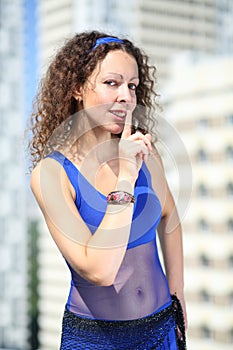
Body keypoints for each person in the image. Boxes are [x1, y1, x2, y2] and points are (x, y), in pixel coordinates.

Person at [28, 30, 187, 349]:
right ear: (76, 88)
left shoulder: (147, 155)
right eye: (111, 83)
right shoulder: (52, 174)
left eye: (132, 86)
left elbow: (170, 218)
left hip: (162, 330)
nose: (126, 96)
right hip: (96, 340)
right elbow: (99, 270)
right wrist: (125, 175)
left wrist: (178, 305)